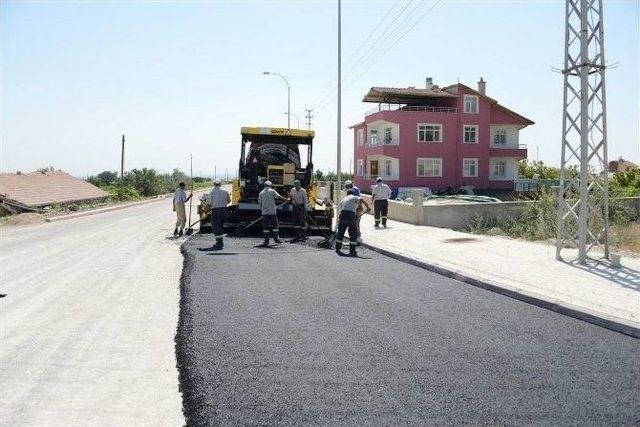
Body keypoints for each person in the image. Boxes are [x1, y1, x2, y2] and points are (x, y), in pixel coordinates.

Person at [335, 188, 371, 256]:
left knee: (340, 232)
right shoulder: (354, 197)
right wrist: (368, 207)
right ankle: (352, 251)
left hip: (342, 215)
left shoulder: (343, 199)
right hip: (350, 215)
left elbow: (341, 209)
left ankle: (337, 248)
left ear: (347, 194)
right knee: (353, 233)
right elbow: (361, 200)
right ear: (353, 193)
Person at [258, 180, 286, 246]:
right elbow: (279, 197)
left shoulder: (261, 193)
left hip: (264, 213)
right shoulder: (272, 191)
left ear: (264, 185)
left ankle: (266, 241)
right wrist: (286, 199)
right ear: (270, 185)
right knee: (275, 226)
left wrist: (262, 211)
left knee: (265, 228)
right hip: (272, 212)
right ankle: (276, 239)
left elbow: (260, 203)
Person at [209, 179, 230, 250]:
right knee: (220, 226)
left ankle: (219, 243)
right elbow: (229, 201)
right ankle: (220, 242)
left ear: (214, 184)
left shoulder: (211, 192)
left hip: (216, 211)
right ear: (220, 184)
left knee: (216, 227)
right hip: (224, 211)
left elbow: (208, 203)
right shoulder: (225, 191)